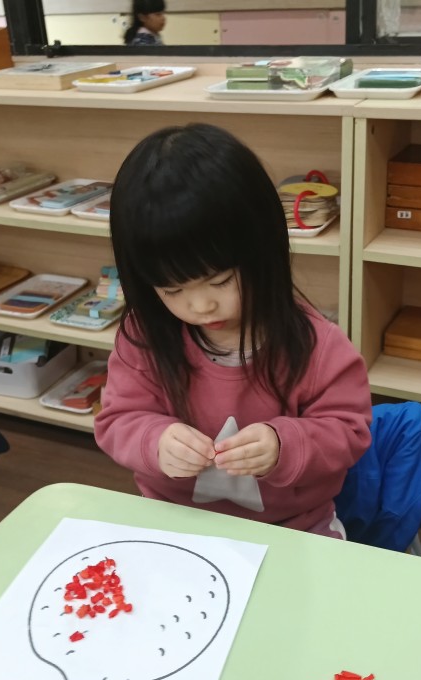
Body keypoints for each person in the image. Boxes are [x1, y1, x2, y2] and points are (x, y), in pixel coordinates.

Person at [95, 123, 372, 538]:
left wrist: (284, 444)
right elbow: (117, 420)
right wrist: (156, 441)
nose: (200, 306)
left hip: (293, 527)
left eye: (221, 281)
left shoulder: (317, 344)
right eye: (172, 290)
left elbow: (350, 431)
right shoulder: (145, 336)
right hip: (174, 521)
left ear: (265, 249)